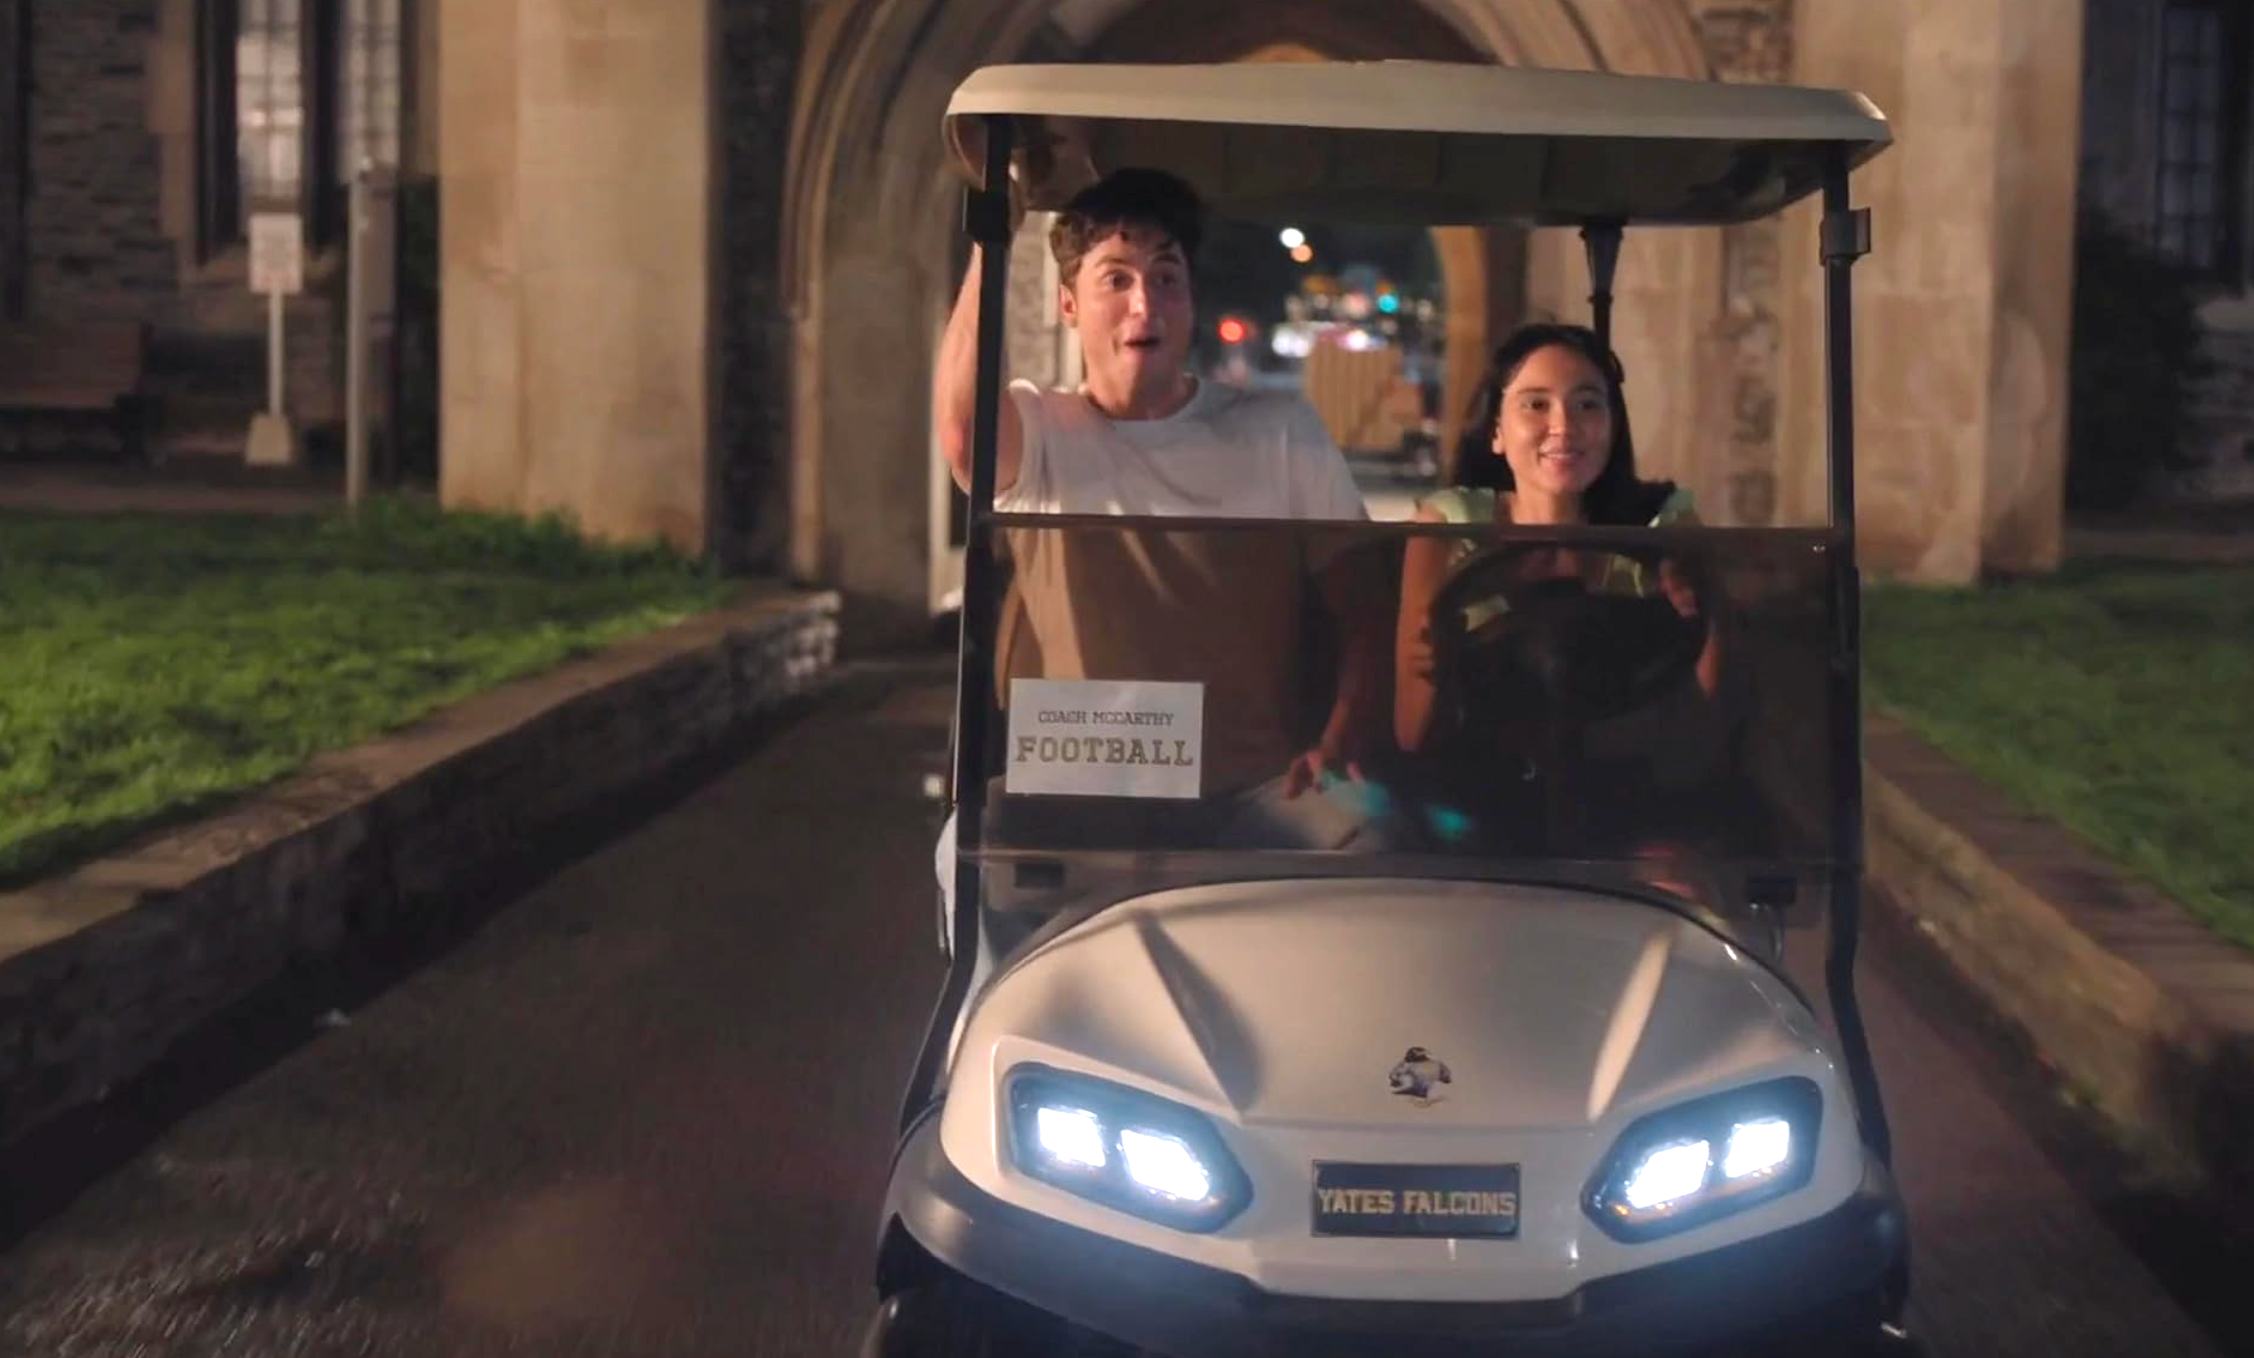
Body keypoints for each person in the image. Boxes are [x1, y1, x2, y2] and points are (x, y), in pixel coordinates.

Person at [932, 165, 1398, 895]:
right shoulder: (1042, 430)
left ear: (1191, 299)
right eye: (1116, 280)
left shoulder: (1278, 432)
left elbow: (1366, 603)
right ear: (1069, 304)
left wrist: (1343, 735)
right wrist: (996, 239)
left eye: (1166, 278)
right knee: (974, 851)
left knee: (1378, 843)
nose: (1144, 303)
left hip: (1250, 793)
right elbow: (964, 433)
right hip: (1081, 789)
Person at [1393, 323, 1732, 800]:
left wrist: (1700, 606)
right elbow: (1412, 731)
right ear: (1496, 431)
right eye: (1536, 404)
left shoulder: (1661, 527)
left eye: (1587, 404)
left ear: (1613, 425)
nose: (1565, 426)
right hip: (1484, 791)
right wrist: (1437, 666)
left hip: (1629, 792)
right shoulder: (1448, 528)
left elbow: (1705, 728)